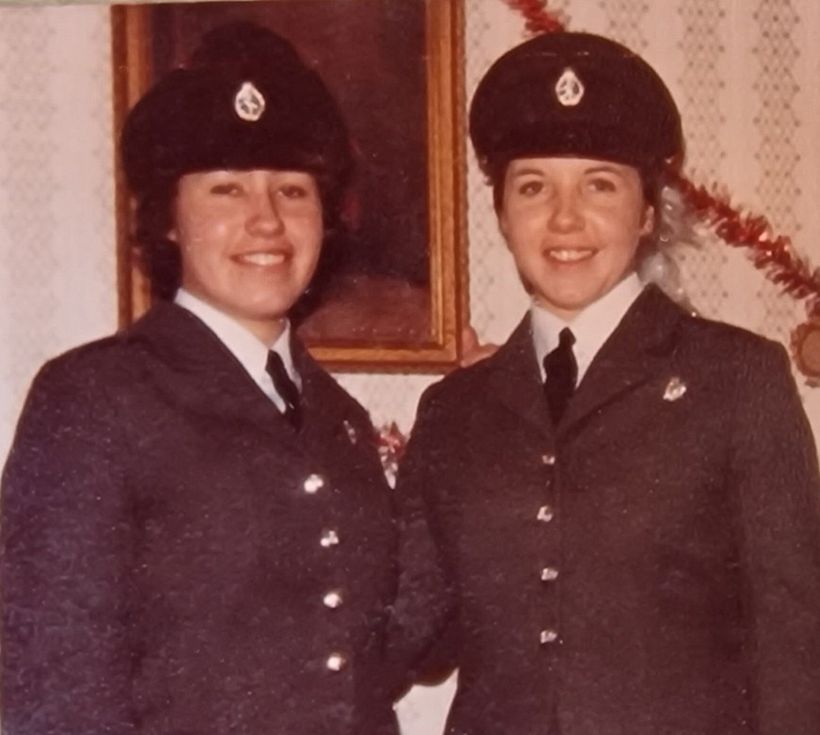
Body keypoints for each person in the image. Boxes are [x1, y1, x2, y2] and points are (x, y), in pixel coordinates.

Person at [392, 31, 820, 735]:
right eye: (533, 186)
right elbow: (417, 635)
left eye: (600, 184)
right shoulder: (454, 409)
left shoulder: (737, 379)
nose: (565, 219)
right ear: (501, 212)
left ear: (647, 212)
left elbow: (794, 645)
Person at [1, 23, 400, 735]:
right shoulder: (95, 398)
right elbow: (51, 687)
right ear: (168, 221)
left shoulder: (340, 417)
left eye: (293, 190)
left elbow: (376, 645)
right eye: (225, 190)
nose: (266, 221)